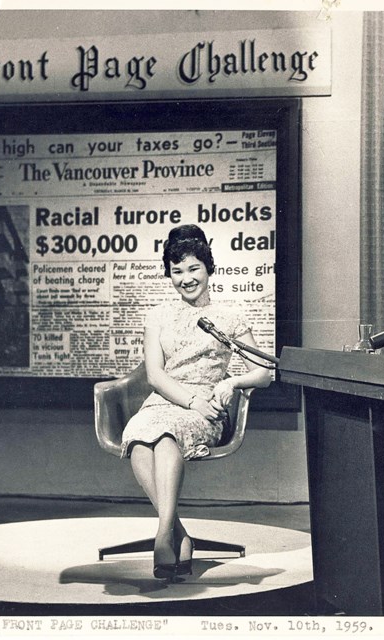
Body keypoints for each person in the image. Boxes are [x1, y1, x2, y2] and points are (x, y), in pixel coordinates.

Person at [120, 224, 273, 580]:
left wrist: (232, 382)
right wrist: (189, 401)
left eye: (193, 269)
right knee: (140, 437)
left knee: (166, 435)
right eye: (177, 271)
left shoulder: (229, 317)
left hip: (206, 407)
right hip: (166, 401)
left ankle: (163, 536)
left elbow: (264, 372)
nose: (186, 278)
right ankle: (176, 532)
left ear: (208, 269)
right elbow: (155, 375)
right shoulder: (157, 316)